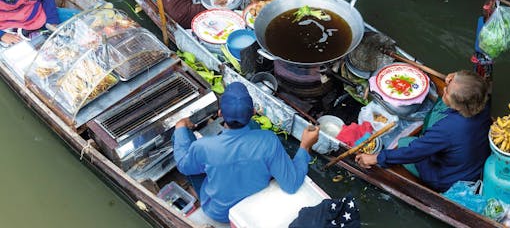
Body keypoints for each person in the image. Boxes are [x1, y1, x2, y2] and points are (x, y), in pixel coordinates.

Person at [173, 82, 320, 223]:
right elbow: (291, 184)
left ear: (219, 114)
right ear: (253, 112)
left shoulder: (203, 147)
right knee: (253, 128)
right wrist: (305, 146)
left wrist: (180, 127)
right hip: (251, 205)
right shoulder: (269, 140)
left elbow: (183, 165)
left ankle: (180, 131)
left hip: (219, 212)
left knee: (181, 139)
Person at [355, 70, 491, 192]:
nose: (444, 89)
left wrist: (376, 158)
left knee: (405, 142)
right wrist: (456, 78)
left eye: (447, 92)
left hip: (446, 178)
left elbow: (412, 152)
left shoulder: (446, 130)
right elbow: (472, 86)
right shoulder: (483, 104)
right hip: (474, 166)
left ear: (460, 105)